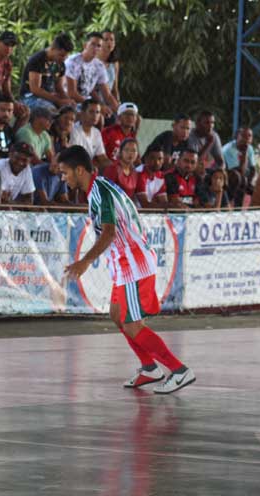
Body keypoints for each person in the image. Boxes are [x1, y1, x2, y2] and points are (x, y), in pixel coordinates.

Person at [59, 145, 196, 394]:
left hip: (133, 265)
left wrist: (85, 261)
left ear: (79, 170)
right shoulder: (100, 187)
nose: (63, 178)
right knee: (116, 314)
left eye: (65, 172)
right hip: (125, 263)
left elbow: (109, 232)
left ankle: (179, 370)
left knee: (133, 325)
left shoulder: (99, 193)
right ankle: (149, 368)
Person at [64, 33, 119, 117]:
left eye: (99, 46)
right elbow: (71, 93)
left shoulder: (99, 66)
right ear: (85, 45)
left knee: (114, 118)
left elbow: (107, 95)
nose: (96, 48)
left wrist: (121, 112)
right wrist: (99, 107)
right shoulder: (73, 62)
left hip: (87, 104)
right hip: (69, 101)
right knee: (98, 117)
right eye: (93, 44)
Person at [19, 33, 75, 112]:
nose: (64, 59)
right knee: (51, 110)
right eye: (61, 55)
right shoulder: (37, 60)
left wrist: (68, 100)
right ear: (53, 48)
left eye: (66, 56)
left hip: (49, 97)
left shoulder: (60, 64)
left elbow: (59, 88)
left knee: (72, 110)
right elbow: (35, 89)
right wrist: (58, 101)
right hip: (30, 97)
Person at [70, 99, 110, 170]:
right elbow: (75, 157)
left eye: (97, 112)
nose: (95, 115)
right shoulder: (74, 130)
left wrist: (116, 167)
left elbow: (102, 158)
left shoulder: (96, 132)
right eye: (91, 112)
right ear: (82, 113)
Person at [223, 127, 255, 207]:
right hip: (225, 174)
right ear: (237, 136)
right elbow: (238, 171)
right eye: (243, 136)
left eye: (249, 136)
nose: (247, 138)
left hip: (241, 174)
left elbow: (252, 168)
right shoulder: (228, 149)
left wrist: (250, 182)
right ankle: (233, 206)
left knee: (255, 188)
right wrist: (244, 154)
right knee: (239, 178)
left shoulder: (249, 148)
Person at [135, 144, 167, 208]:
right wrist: (170, 206)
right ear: (146, 159)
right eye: (152, 158)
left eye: (160, 159)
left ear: (163, 160)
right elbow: (145, 205)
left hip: (149, 213)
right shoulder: (138, 173)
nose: (157, 162)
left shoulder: (160, 176)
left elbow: (163, 201)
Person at [97, 30, 120, 109]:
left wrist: (118, 104)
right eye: (106, 39)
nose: (109, 42)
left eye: (112, 39)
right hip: (95, 102)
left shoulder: (114, 63)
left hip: (110, 102)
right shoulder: (93, 61)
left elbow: (114, 89)